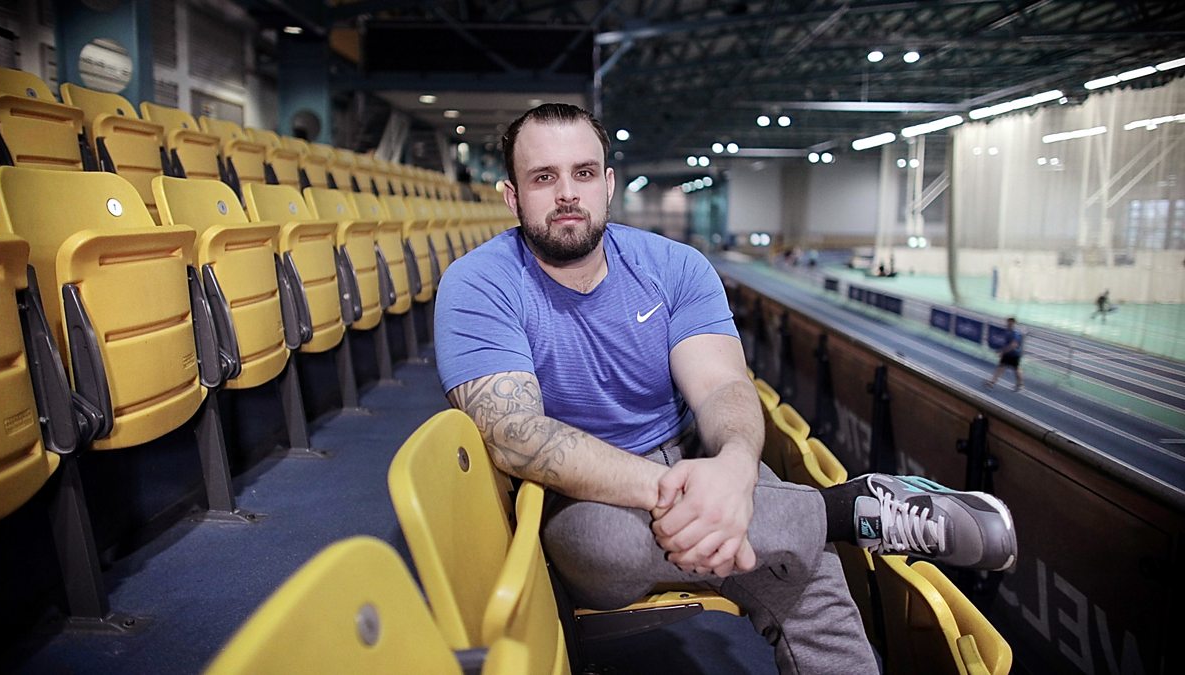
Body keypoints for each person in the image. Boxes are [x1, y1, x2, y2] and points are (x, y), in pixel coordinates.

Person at [434, 103, 1017, 673]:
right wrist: (692, 496)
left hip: (694, 456)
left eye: (583, 173)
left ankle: (808, 529)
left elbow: (721, 387)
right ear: (512, 195)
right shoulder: (478, 284)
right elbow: (516, 434)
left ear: (607, 184)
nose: (567, 193)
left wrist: (735, 469)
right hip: (579, 490)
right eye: (543, 177)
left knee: (807, 567)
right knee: (615, 544)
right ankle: (844, 510)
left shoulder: (675, 266)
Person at [986, 317, 1025, 391]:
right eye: (1008, 322)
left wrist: (1002, 351)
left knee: (1016, 369)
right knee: (1000, 367)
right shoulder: (1008, 331)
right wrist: (1001, 350)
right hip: (1007, 353)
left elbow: (1014, 345)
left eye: (1010, 323)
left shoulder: (1015, 333)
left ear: (1014, 323)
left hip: (1014, 354)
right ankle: (992, 382)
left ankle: (1020, 384)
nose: (1008, 324)